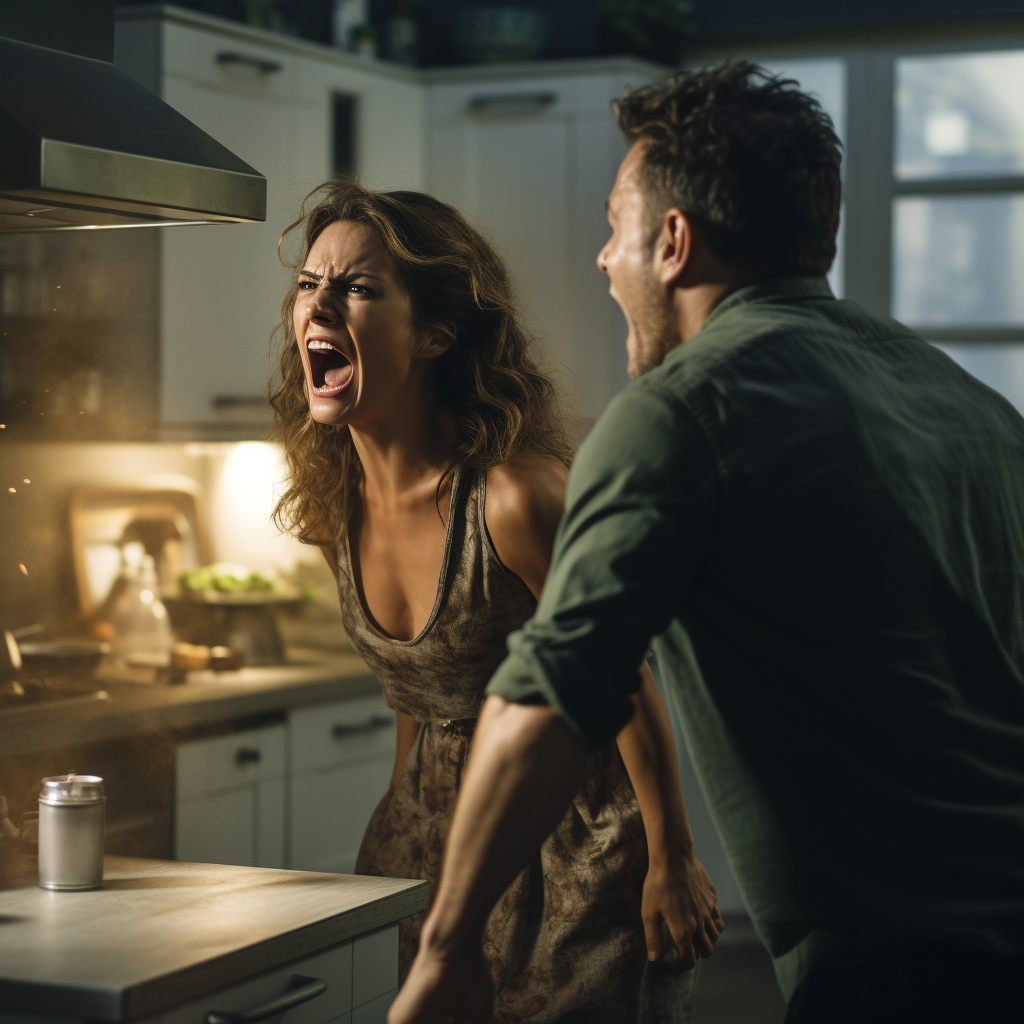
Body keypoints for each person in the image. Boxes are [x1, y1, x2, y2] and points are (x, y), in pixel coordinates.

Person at [390, 61, 1024, 1024]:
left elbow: (552, 697)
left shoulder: (679, 414)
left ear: (674, 243)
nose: (604, 259)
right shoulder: (970, 404)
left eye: (616, 225)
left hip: (906, 979)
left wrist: (445, 954)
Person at [271, 180, 723, 1023]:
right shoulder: (336, 505)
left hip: (574, 846)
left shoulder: (517, 498)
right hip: (426, 843)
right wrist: (398, 822)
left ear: (436, 333)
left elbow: (624, 675)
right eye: (309, 283)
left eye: (358, 288)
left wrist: (672, 853)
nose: (319, 302)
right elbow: (414, 694)